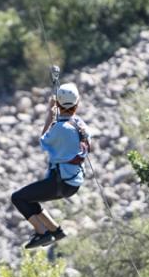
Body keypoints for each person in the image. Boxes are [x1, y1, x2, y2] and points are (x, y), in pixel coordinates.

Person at [10, 82, 91, 249]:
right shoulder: (80, 124)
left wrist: (50, 114)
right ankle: (56, 230)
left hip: (60, 182)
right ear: (77, 103)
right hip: (73, 181)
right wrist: (58, 114)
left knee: (18, 198)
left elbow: (44, 140)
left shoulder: (61, 128)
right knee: (30, 199)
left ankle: (42, 233)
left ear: (59, 104)